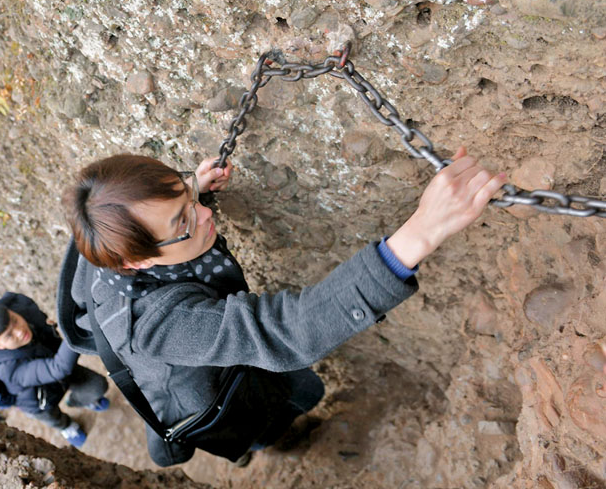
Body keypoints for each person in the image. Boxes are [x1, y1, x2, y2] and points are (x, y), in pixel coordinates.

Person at [58, 150, 507, 467]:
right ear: (135, 261)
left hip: (182, 363)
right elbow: (281, 331)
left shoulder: (104, 230)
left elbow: (163, 219)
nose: (204, 215)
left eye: (187, 198)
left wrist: (193, 188)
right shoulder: (158, 326)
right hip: (205, 396)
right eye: (184, 221)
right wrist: (419, 234)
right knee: (259, 426)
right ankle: (278, 443)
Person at [0, 293, 109, 447]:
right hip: (39, 401)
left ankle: (76, 401)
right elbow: (59, 367)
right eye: (9, 335)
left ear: (10, 311)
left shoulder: (22, 307)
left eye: (15, 320)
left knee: (98, 385)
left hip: (57, 370)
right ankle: (67, 427)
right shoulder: (9, 369)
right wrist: (78, 328)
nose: (19, 331)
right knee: (55, 418)